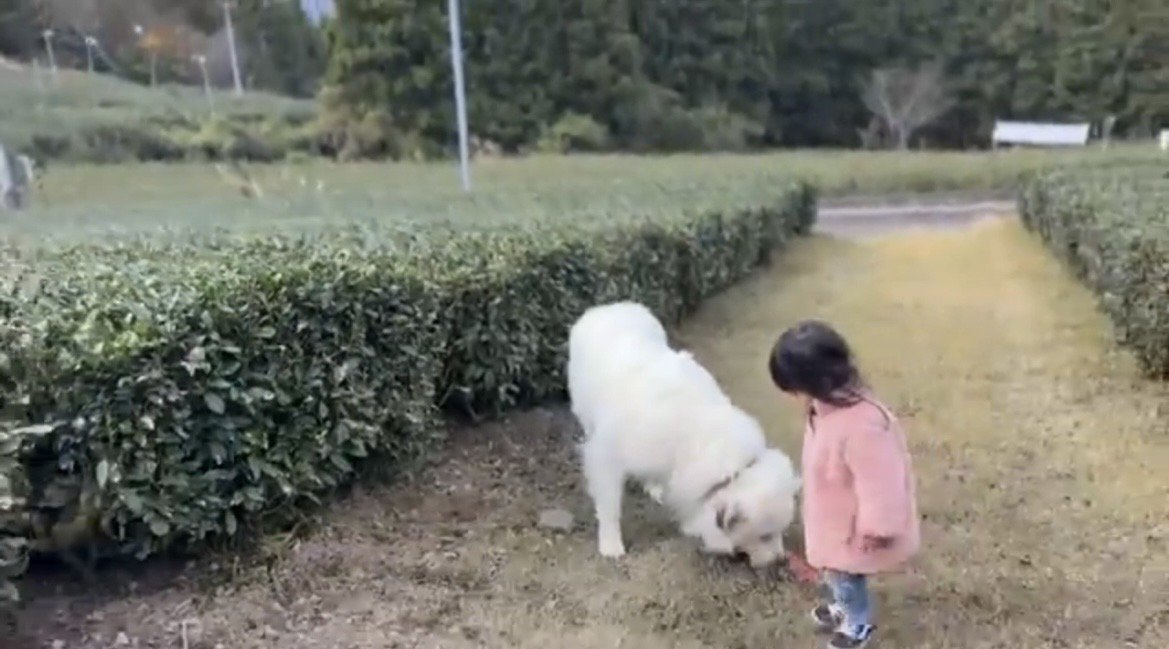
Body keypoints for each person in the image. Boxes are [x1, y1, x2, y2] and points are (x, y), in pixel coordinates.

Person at [769, 320, 920, 649]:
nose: (794, 396)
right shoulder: (824, 409)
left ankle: (857, 624)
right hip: (833, 519)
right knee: (836, 572)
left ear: (816, 381)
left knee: (846, 575)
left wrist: (878, 528)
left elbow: (882, 481)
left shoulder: (862, 425)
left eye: (795, 387)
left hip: (853, 527)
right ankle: (843, 606)